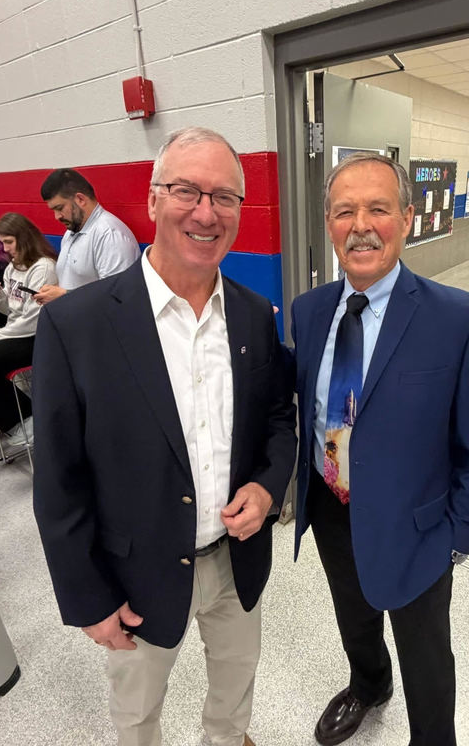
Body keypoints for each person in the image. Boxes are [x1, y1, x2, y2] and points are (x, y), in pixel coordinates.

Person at [32, 127, 297, 746]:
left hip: (236, 561)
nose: (206, 213)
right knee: (137, 711)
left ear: (239, 210)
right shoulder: (78, 325)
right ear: (153, 201)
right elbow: (59, 478)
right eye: (186, 191)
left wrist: (265, 486)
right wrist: (86, 597)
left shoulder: (255, 315)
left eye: (224, 197)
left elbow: (279, 420)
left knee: (235, 689)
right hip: (135, 574)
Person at [291, 153, 469, 746]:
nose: (361, 224)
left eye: (378, 208)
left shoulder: (458, 319)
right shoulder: (309, 314)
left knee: (426, 649)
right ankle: (368, 683)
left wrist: (456, 538)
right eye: (344, 211)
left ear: (408, 218)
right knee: (354, 618)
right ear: (329, 225)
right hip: (333, 508)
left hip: (418, 529)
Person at [34, 168, 140, 304]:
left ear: (80, 199)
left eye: (60, 208)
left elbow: (118, 297)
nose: (57, 217)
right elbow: (74, 285)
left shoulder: (110, 235)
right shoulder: (70, 234)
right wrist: (53, 294)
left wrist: (64, 296)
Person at [0, 213, 58, 446]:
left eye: (8, 242)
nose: (5, 248)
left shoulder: (43, 267)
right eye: (2, 242)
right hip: (15, 330)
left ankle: (25, 422)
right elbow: (12, 309)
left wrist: (0, 335)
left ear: (24, 237)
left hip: (37, 336)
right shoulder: (13, 268)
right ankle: (10, 419)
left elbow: (32, 320)